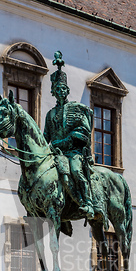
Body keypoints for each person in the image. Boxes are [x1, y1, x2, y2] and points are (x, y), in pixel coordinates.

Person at [44, 51, 95, 220]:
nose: (60, 91)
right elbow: (45, 137)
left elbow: (84, 132)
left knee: (75, 171)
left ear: (67, 90)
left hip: (74, 152)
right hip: (56, 154)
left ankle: (87, 202)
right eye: (57, 89)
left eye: (63, 88)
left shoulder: (76, 109)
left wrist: (66, 141)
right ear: (53, 91)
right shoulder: (50, 114)